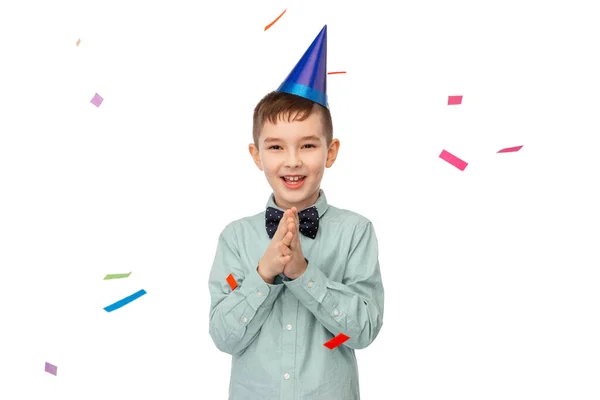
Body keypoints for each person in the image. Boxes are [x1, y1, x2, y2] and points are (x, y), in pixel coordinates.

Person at [208, 25, 384, 400]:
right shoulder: (236, 238)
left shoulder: (356, 232)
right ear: (257, 155)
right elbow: (224, 337)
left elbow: (364, 331)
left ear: (330, 152)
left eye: (307, 145)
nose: (292, 161)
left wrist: (304, 274)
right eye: (275, 147)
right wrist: (264, 274)